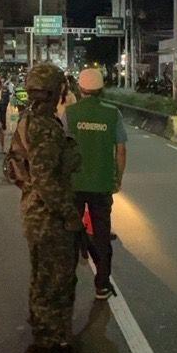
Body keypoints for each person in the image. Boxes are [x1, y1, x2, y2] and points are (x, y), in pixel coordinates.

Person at [8, 63, 85, 353]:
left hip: (36, 211)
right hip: (49, 217)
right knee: (55, 284)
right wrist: (70, 215)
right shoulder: (45, 127)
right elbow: (44, 180)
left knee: (43, 279)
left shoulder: (29, 120)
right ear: (57, 92)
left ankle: (44, 334)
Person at [65, 68, 126, 300]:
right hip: (102, 184)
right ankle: (102, 285)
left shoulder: (70, 113)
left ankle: (67, 284)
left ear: (80, 88)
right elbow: (121, 150)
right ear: (101, 89)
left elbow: (61, 146)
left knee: (71, 234)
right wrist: (118, 178)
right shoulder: (113, 113)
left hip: (74, 182)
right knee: (101, 236)